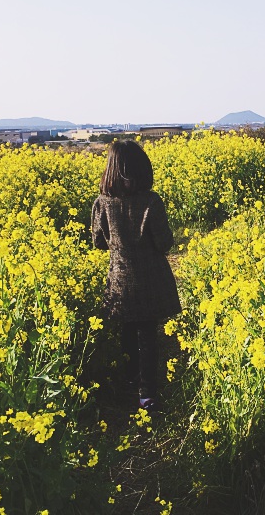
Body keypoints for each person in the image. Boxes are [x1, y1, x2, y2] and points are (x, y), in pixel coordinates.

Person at [91, 140, 181, 411]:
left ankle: (130, 379)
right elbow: (164, 243)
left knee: (127, 330)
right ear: (143, 168)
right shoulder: (151, 201)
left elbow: (97, 242)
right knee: (148, 335)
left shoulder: (101, 203)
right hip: (151, 281)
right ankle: (147, 393)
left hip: (119, 280)